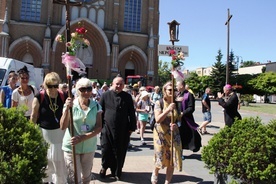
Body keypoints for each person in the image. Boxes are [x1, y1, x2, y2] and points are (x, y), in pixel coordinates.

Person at [60, 78, 102, 184]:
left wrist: (83, 137)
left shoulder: (96, 106)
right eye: (83, 89)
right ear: (78, 90)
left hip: (88, 147)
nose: (87, 92)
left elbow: (98, 127)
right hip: (72, 146)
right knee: (73, 178)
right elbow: (62, 126)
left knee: (86, 177)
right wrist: (66, 110)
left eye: (89, 89)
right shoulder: (71, 105)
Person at [30, 72, 67, 184]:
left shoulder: (63, 96)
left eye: (55, 86)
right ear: (45, 85)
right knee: (45, 162)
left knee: (59, 162)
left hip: (60, 133)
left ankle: (59, 182)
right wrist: (31, 133)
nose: (53, 89)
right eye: (50, 86)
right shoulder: (39, 97)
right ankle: (45, 181)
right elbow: (34, 115)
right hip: (44, 133)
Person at [99, 76, 136, 180]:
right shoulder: (105, 95)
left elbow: (131, 113)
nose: (118, 86)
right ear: (112, 84)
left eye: (121, 84)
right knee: (106, 149)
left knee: (120, 151)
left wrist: (132, 127)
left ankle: (117, 171)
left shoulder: (127, 97)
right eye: (117, 84)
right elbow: (100, 112)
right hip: (107, 128)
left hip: (123, 129)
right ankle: (104, 167)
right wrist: (99, 126)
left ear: (123, 86)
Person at [151, 81, 182, 184]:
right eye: (169, 90)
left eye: (174, 90)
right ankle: (156, 171)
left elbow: (180, 119)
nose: (172, 92)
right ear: (164, 90)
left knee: (172, 159)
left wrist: (176, 124)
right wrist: (168, 109)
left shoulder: (177, 104)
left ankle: (167, 182)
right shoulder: (159, 103)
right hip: (160, 134)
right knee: (160, 155)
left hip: (173, 134)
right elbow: (158, 119)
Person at [176, 80, 201, 153]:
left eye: (177, 85)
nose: (176, 87)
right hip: (177, 119)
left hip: (186, 119)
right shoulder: (177, 94)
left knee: (186, 135)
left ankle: (181, 152)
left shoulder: (189, 95)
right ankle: (179, 151)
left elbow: (191, 108)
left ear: (181, 86)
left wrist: (183, 113)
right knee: (179, 135)